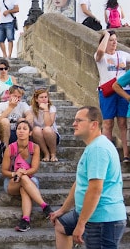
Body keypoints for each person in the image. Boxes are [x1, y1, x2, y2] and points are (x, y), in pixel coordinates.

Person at [50, 106, 126, 248]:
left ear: (94, 124)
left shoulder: (98, 149)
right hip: (89, 214)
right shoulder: (93, 146)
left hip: (102, 220)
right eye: (74, 120)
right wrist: (62, 210)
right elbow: (79, 182)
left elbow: (95, 189)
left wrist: (81, 224)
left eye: (79, 120)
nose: (74, 124)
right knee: (61, 225)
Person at [2, 120, 53, 232]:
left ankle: (25, 220)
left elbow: (34, 169)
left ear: (30, 133)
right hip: (12, 181)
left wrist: (22, 172)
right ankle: (45, 207)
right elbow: (4, 171)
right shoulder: (10, 148)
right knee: (23, 181)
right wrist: (16, 173)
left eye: (25, 129)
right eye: (19, 128)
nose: (21, 131)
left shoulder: (35, 147)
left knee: (24, 187)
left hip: (30, 179)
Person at [95, 30, 130, 162]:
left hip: (124, 91)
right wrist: (106, 34)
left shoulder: (122, 55)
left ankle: (126, 154)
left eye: (115, 40)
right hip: (107, 92)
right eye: (111, 40)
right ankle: (108, 154)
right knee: (108, 123)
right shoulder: (101, 56)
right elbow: (99, 53)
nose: (114, 42)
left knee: (122, 123)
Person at [30, 88, 60, 162]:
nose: (44, 99)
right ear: (36, 99)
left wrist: (46, 109)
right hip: (38, 137)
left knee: (47, 129)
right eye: (41, 97)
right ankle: (46, 153)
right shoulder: (30, 109)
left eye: (46, 97)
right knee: (36, 129)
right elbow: (30, 125)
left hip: (51, 137)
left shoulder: (52, 108)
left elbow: (48, 124)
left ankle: (53, 154)